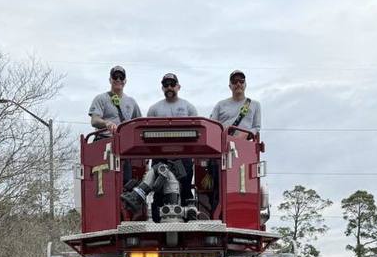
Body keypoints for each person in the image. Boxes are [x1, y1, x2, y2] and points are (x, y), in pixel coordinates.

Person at [121, 73, 201, 220]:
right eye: (166, 85)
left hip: (183, 157)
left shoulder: (189, 107)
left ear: (178, 86)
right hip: (159, 156)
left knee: (185, 187)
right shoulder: (154, 109)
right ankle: (157, 222)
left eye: (172, 84)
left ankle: (188, 220)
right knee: (157, 189)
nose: (169, 87)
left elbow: (197, 133)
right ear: (162, 88)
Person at [88, 65, 142, 136]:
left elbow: (139, 122)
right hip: (105, 140)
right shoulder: (100, 98)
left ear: (125, 81)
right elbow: (94, 120)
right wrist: (107, 123)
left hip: (125, 141)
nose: (118, 79)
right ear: (110, 80)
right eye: (115, 76)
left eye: (121, 77)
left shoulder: (132, 102)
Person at [209, 70, 262, 137]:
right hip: (223, 144)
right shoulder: (220, 105)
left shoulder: (255, 105)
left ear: (245, 84)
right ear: (230, 86)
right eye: (234, 81)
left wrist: (247, 134)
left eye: (241, 81)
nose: (238, 84)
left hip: (245, 144)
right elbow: (212, 126)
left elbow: (256, 127)